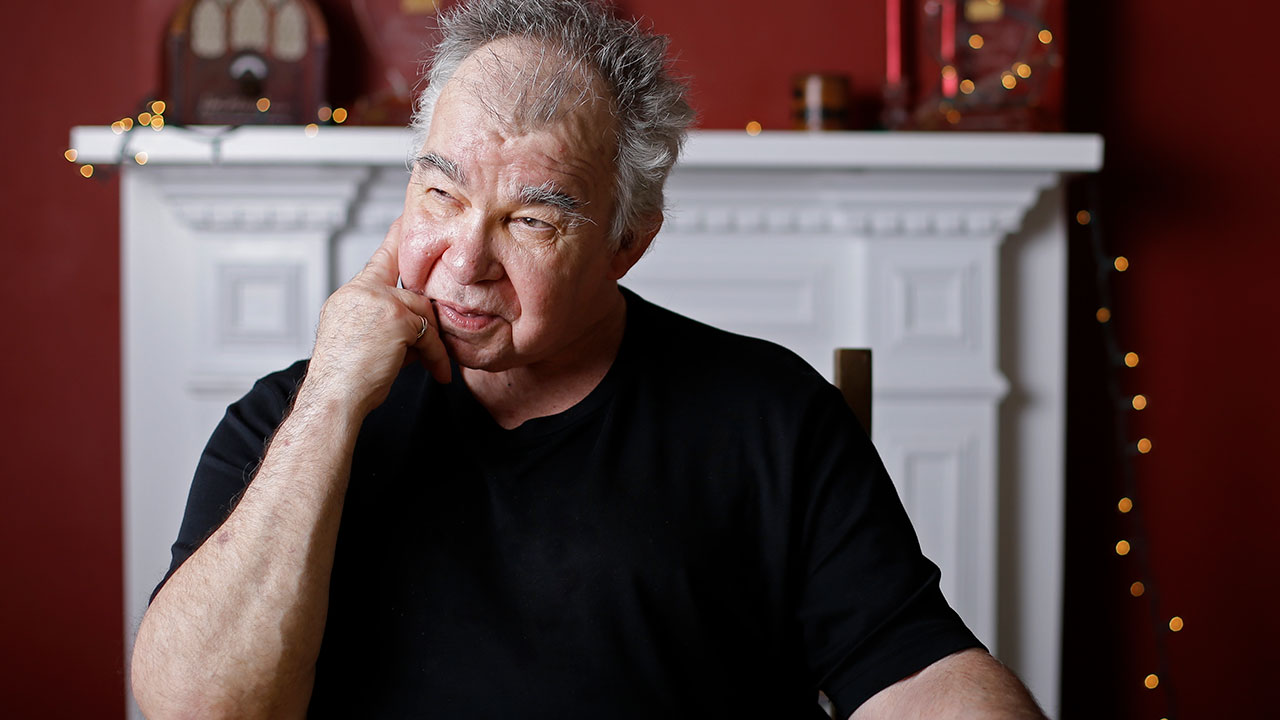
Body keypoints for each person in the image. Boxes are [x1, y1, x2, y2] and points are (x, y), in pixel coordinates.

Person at [131, 0, 1046, 717]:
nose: (465, 260)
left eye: (531, 219)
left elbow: (915, 669)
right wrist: (331, 398)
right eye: (441, 193)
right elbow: (197, 707)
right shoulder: (289, 420)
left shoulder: (768, 416)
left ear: (626, 244)